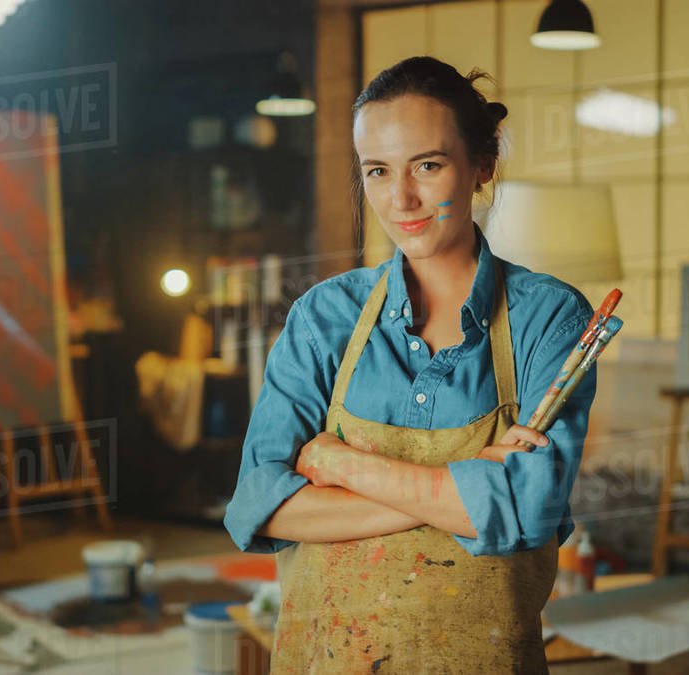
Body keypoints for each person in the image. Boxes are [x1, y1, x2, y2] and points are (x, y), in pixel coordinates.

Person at [223, 56, 597, 673]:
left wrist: (339, 465)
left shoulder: (549, 318)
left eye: (428, 164)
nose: (401, 199)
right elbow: (260, 503)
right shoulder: (324, 318)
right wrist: (467, 486)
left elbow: (529, 511)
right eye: (377, 170)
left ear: (483, 165)